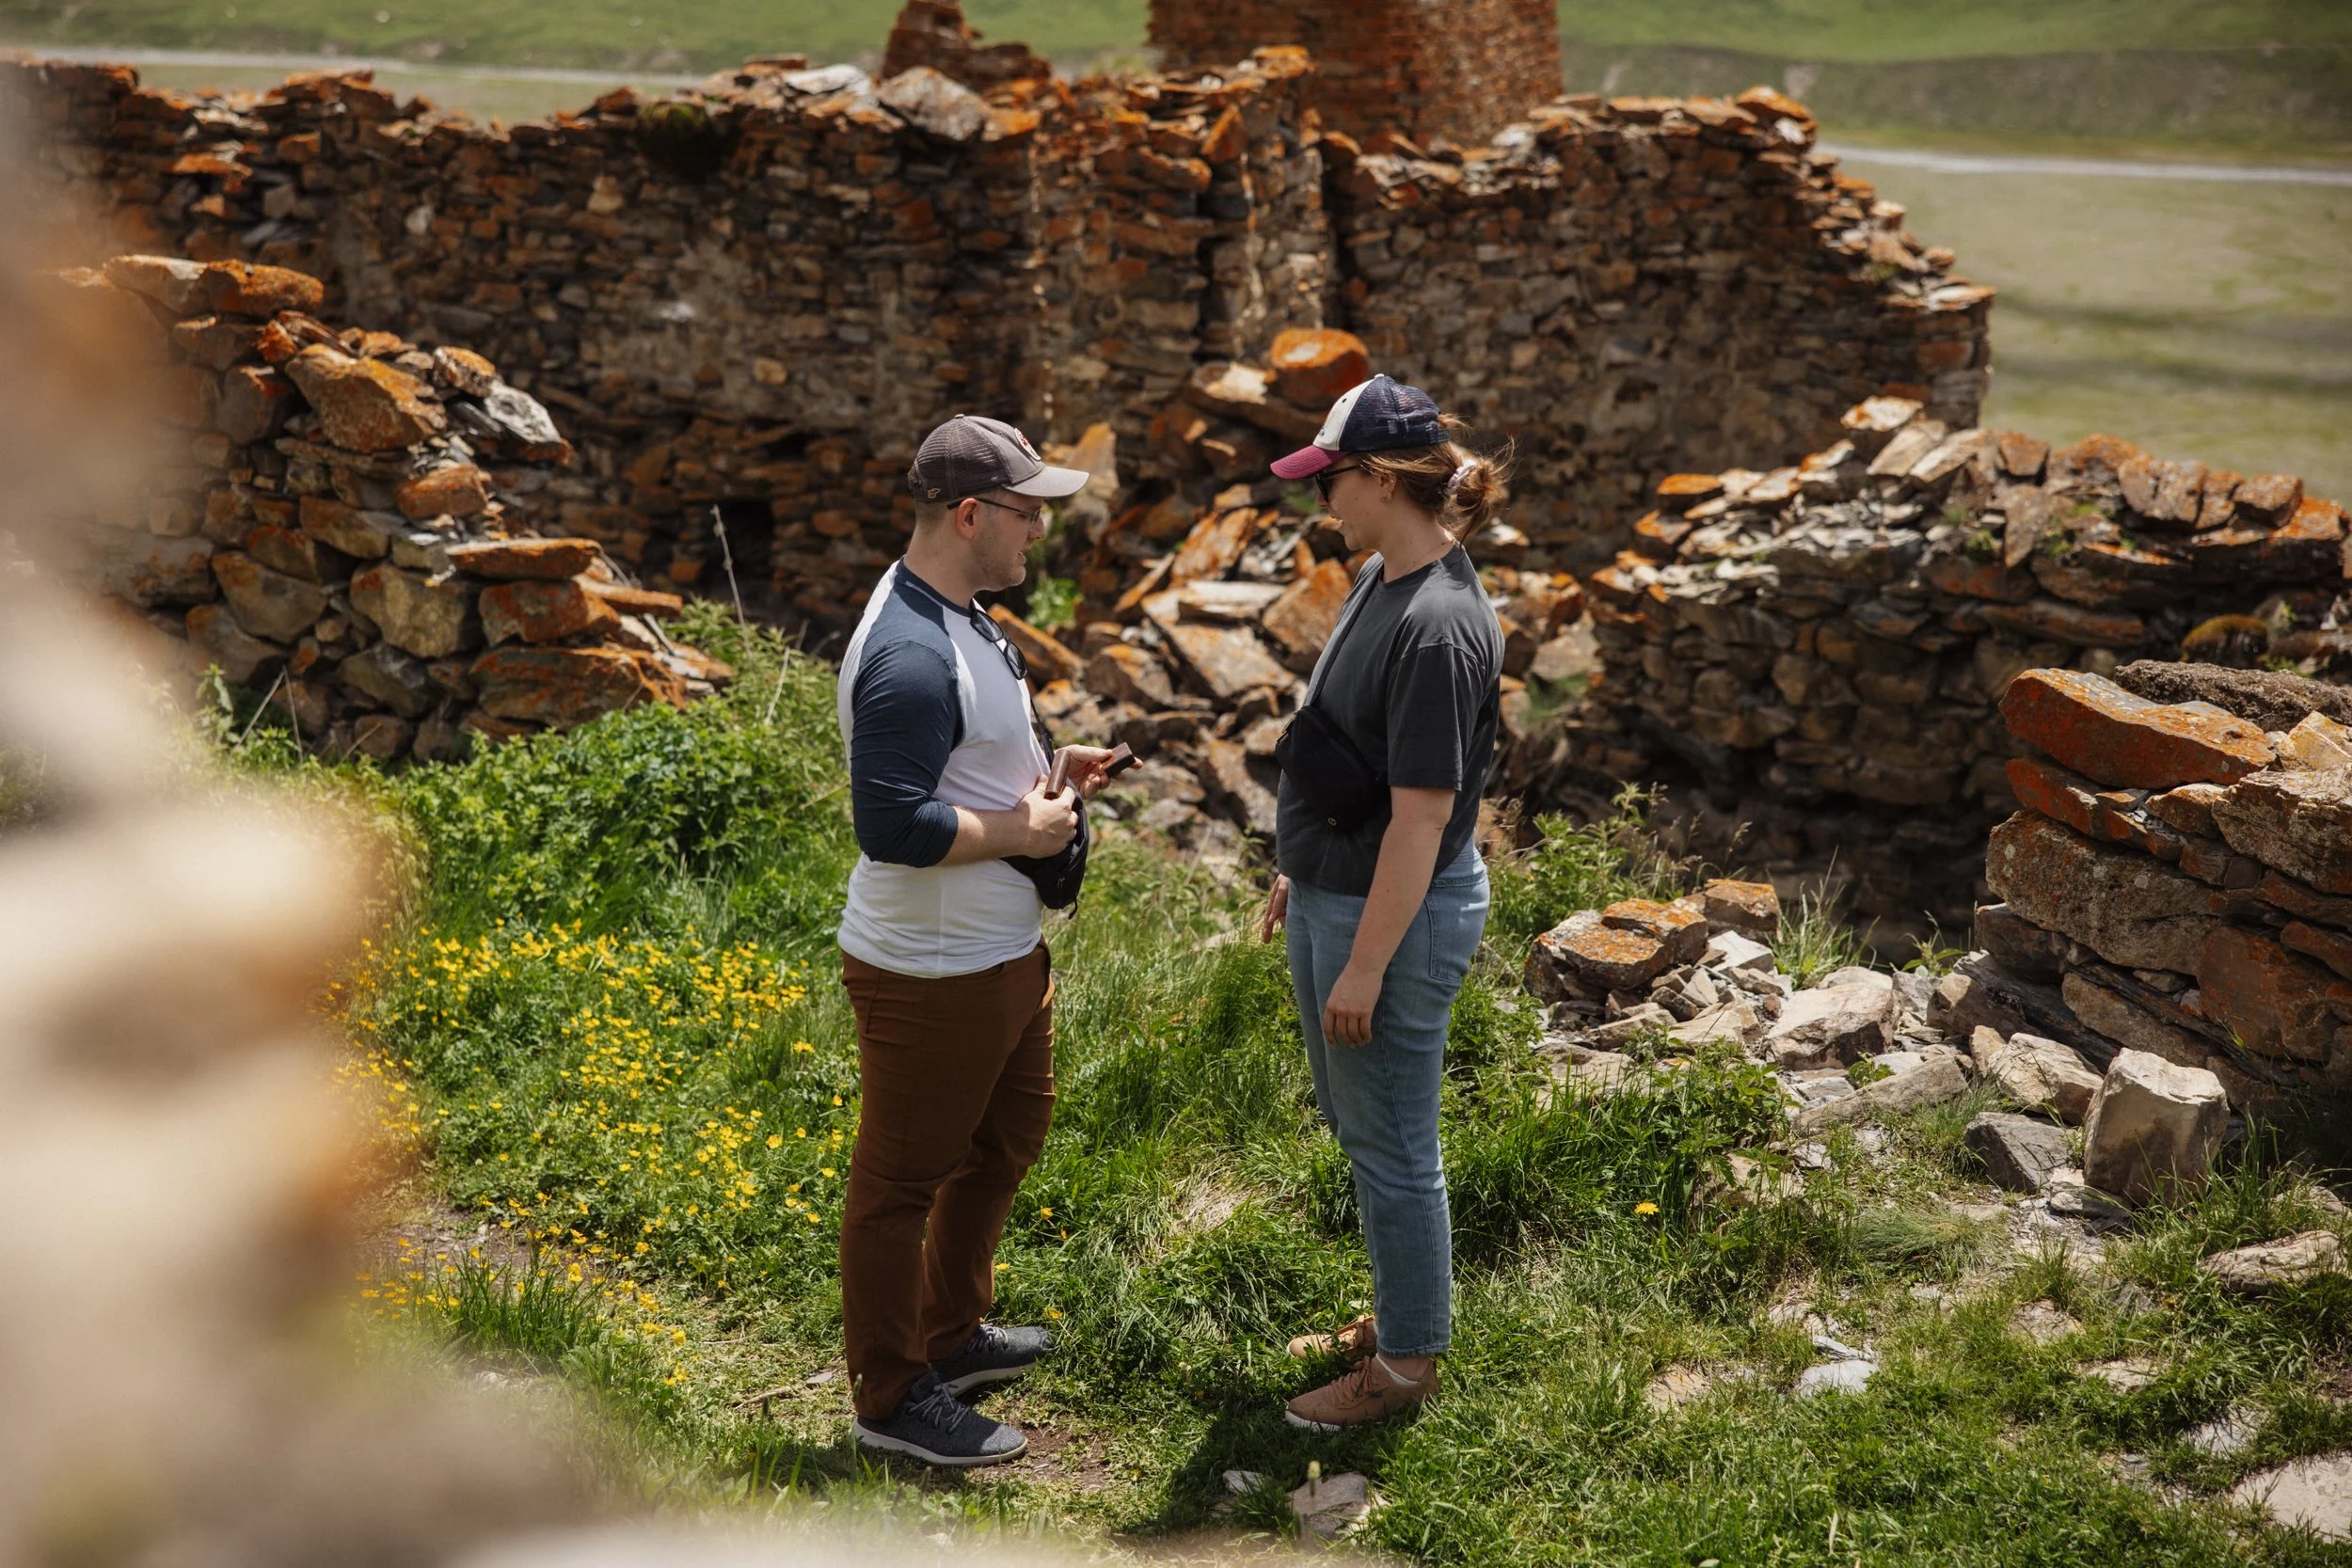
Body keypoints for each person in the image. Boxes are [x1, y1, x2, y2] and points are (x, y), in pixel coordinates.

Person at [834, 414, 1116, 1467]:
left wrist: (1049, 767)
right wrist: (1026, 828)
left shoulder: (958, 612)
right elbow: (891, 825)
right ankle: (892, 1393)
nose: (1038, 534)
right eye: (1027, 513)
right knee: (899, 1183)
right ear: (968, 513)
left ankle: (949, 1337)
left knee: (999, 1147)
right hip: (931, 968)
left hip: (996, 956)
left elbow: (965, 754)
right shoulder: (907, 651)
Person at [1257, 375, 1508, 1432]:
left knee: (1396, 1143)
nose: (1322, 497)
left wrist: (1363, 962)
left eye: (1330, 478)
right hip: (1335, 891)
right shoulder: (1378, 576)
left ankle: (1405, 1365)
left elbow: (1419, 819)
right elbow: (1340, 748)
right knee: (1364, 1130)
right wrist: (1294, 865)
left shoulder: (1442, 623)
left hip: (1391, 919)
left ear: (1379, 479)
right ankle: (1399, 1311)